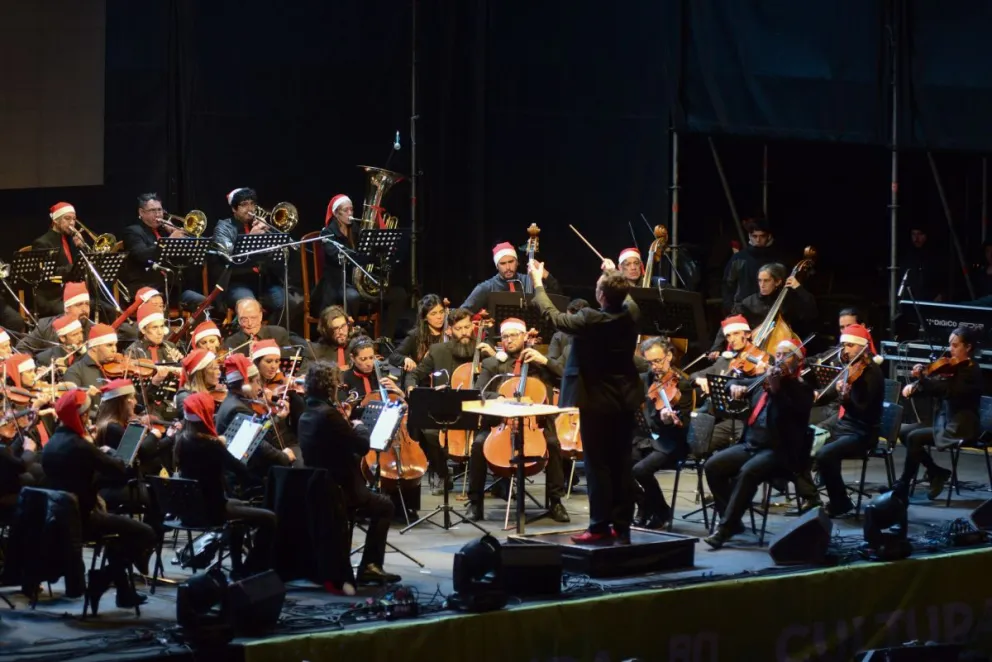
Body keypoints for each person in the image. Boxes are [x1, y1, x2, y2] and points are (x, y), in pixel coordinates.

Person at [529, 258, 641, 543]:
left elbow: (554, 317)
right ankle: (622, 526)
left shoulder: (591, 319)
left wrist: (538, 283)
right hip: (625, 398)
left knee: (597, 465)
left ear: (601, 295)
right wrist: (612, 272)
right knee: (622, 463)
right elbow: (626, 296)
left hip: (597, 400)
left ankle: (599, 527)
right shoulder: (631, 313)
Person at [42, 389, 156, 609]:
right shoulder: (80, 445)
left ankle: (124, 592)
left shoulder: (52, 443)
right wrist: (109, 453)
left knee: (119, 538)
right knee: (146, 533)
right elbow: (120, 469)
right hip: (85, 519)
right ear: (83, 416)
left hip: (60, 519)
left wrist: (97, 453)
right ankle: (102, 579)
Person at [297, 361, 402, 587]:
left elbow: (334, 444)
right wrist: (358, 425)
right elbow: (362, 446)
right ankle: (370, 566)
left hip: (319, 486)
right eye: (336, 383)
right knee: (385, 506)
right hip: (341, 488)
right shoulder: (329, 415)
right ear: (330, 387)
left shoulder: (308, 412)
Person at [703, 338, 814, 549]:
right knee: (713, 466)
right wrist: (734, 386)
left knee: (748, 472)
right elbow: (730, 383)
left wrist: (777, 389)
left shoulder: (802, 390)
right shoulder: (763, 380)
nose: (779, 359)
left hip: (779, 451)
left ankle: (725, 528)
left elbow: (787, 415)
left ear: (797, 362)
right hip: (751, 445)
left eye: (785, 356)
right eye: (778, 354)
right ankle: (733, 519)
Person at [468, 317, 571, 523]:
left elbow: (567, 379)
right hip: (498, 423)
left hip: (535, 424)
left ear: (524, 337)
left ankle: (556, 501)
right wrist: (498, 397)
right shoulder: (492, 363)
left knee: (552, 444)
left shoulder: (539, 365)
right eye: (505, 336)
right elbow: (478, 392)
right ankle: (475, 502)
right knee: (478, 445)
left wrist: (545, 361)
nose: (509, 340)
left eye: (514, 335)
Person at [174, 391, 277, 579]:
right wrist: (265, 480)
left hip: (188, 510)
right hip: (211, 512)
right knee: (270, 517)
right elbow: (241, 471)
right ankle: (251, 565)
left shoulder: (181, 440)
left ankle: (238, 567)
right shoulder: (211, 446)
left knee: (239, 506)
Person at [403, 307, 489, 492]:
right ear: (449, 330)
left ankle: (496, 482)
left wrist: (493, 356)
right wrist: (411, 387)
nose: (464, 332)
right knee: (429, 431)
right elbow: (414, 375)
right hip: (449, 411)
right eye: (459, 328)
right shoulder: (438, 351)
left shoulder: (483, 349)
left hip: (479, 410)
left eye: (467, 327)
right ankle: (442, 473)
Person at [895, 326, 982, 500]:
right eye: (950, 344)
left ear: (968, 347)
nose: (951, 349)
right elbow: (936, 383)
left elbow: (947, 390)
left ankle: (903, 486)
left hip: (961, 425)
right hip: (944, 419)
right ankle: (936, 471)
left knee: (915, 437)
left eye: (955, 345)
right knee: (903, 432)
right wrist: (916, 385)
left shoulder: (971, 371)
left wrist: (923, 380)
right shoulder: (952, 367)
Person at [813, 324, 884, 518]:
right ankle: (811, 498)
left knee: (825, 454)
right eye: (844, 345)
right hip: (845, 427)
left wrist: (845, 399)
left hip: (862, 432)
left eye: (850, 346)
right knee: (807, 442)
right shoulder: (851, 366)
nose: (845, 350)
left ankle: (840, 502)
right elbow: (829, 393)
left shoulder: (872, 373)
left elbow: (863, 410)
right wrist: (816, 394)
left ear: (863, 347)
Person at [209, 187, 303, 332]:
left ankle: (272, 335)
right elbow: (228, 256)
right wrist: (251, 238)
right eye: (244, 204)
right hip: (236, 282)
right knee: (249, 307)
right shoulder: (224, 227)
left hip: (263, 282)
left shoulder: (261, 225)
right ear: (234, 209)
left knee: (289, 303)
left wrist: (270, 237)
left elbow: (280, 258)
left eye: (252, 204)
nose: (250, 208)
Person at [316, 194, 408, 339]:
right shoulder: (327, 233)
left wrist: (379, 252)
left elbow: (367, 253)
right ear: (336, 213)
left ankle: (385, 338)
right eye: (346, 210)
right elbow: (337, 256)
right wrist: (362, 257)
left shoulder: (356, 230)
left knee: (399, 294)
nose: (350, 213)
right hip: (338, 283)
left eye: (351, 209)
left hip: (359, 283)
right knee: (353, 297)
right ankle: (351, 338)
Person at [632, 337, 692, 528]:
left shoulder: (683, 384)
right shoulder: (646, 379)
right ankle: (645, 504)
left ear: (669, 356)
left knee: (640, 470)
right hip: (648, 438)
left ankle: (660, 511)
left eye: (658, 361)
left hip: (671, 442)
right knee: (617, 464)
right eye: (650, 362)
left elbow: (685, 423)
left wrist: (668, 420)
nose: (655, 367)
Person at [119, 193, 206, 311]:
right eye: (152, 210)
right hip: (146, 290)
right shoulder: (132, 231)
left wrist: (182, 240)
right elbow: (142, 255)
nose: (158, 214)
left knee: (204, 302)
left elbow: (186, 259)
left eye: (159, 210)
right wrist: (170, 241)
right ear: (141, 212)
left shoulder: (165, 231)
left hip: (171, 289)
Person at [215, 353, 295, 477]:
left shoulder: (234, 400)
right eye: (257, 382)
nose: (260, 388)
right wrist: (284, 457)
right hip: (247, 477)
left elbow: (260, 431)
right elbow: (258, 445)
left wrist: (278, 418)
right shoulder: (237, 408)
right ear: (245, 385)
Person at [709, 263, 817, 355]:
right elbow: (729, 322)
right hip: (755, 350)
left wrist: (798, 288)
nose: (762, 285)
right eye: (760, 281)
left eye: (766, 281)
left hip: (780, 352)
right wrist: (717, 347)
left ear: (778, 282)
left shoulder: (788, 300)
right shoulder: (749, 302)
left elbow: (812, 312)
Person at [460, 241, 561, 312]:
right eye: (503, 263)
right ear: (497, 266)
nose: (508, 267)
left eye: (511, 262)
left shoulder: (530, 281)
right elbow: (463, 312)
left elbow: (557, 297)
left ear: (517, 262)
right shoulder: (486, 287)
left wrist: (546, 275)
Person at [252, 339, 304, 467]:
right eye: (268, 361)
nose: (274, 366)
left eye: (277, 361)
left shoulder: (283, 384)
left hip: (288, 440)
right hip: (265, 445)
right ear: (256, 363)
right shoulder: (251, 389)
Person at [30, 202, 86, 318]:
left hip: (72, 292)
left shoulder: (71, 239)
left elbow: (85, 265)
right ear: (55, 220)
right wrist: (75, 267)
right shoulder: (42, 243)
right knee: (76, 312)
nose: (72, 223)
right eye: (67, 218)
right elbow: (47, 275)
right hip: (53, 297)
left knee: (107, 309)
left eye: (74, 219)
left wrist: (81, 246)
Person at [721, 217, 787, 313]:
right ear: (749, 236)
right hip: (743, 310)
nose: (758, 240)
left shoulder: (778, 259)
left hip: (771, 310)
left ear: (769, 236)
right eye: (754, 236)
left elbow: (784, 285)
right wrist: (731, 307)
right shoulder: (739, 258)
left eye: (762, 236)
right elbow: (727, 285)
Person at [16, 282, 93, 356]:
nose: (85, 309)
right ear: (66, 308)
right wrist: (36, 364)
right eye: (79, 305)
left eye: (87, 304)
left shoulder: (94, 331)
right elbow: (22, 348)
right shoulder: (46, 326)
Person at [63, 324, 122, 410]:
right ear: (94, 347)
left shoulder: (118, 368)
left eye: (115, 345)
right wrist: (86, 397)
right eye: (109, 345)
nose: (114, 350)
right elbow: (72, 408)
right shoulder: (74, 372)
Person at [388, 294, 447, 371]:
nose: (439, 317)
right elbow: (394, 356)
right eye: (433, 313)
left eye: (441, 312)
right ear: (425, 317)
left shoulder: (449, 333)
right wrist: (405, 359)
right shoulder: (415, 335)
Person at [223, 298, 293, 354]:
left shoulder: (278, 333)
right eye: (244, 319)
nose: (250, 323)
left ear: (260, 316)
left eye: (253, 318)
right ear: (238, 319)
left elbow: (291, 353)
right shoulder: (231, 342)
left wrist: (265, 349)